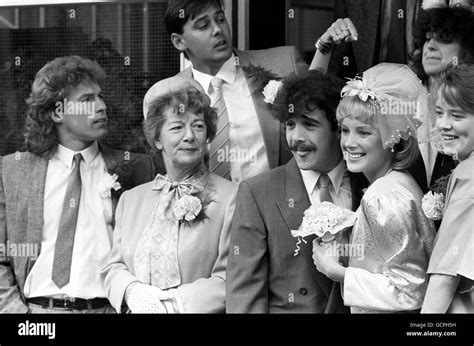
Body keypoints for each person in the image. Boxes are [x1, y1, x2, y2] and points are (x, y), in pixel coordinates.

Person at [0, 56, 154, 313]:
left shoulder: (136, 169)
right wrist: (18, 315)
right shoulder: (12, 171)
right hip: (37, 315)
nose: (102, 106)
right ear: (58, 112)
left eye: (101, 97)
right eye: (87, 100)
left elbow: (149, 252)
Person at [226, 70, 368, 313]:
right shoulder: (257, 193)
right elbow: (244, 295)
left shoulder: (369, 184)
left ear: (338, 128)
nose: (296, 138)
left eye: (309, 125)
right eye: (290, 125)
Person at [101, 76, 237, 313]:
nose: (189, 136)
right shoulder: (130, 200)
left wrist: (171, 305)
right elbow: (114, 267)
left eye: (198, 126)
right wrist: (133, 292)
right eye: (176, 127)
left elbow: (233, 278)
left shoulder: (232, 197)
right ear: (157, 139)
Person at [312, 63, 436, 313]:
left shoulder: (383, 197)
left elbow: (411, 291)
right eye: (345, 130)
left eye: (364, 132)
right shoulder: (396, 184)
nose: (349, 143)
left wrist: (337, 272)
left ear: (392, 138)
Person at [144, 0, 308, 183]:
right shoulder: (171, 94)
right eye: (203, 25)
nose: (217, 29)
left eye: (220, 19)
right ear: (179, 41)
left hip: (274, 203)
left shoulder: (284, 64)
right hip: (205, 206)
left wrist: (324, 50)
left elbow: (319, 119)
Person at [422, 64, 474, 313]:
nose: (443, 124)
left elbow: (445, 274)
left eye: (456, 115)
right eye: (440, 113)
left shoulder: (468, 174)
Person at [411, 4, 474, 190]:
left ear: (467, 49)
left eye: (444, 39)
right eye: (427, 39)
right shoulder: (402, 96)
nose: (430, 46)